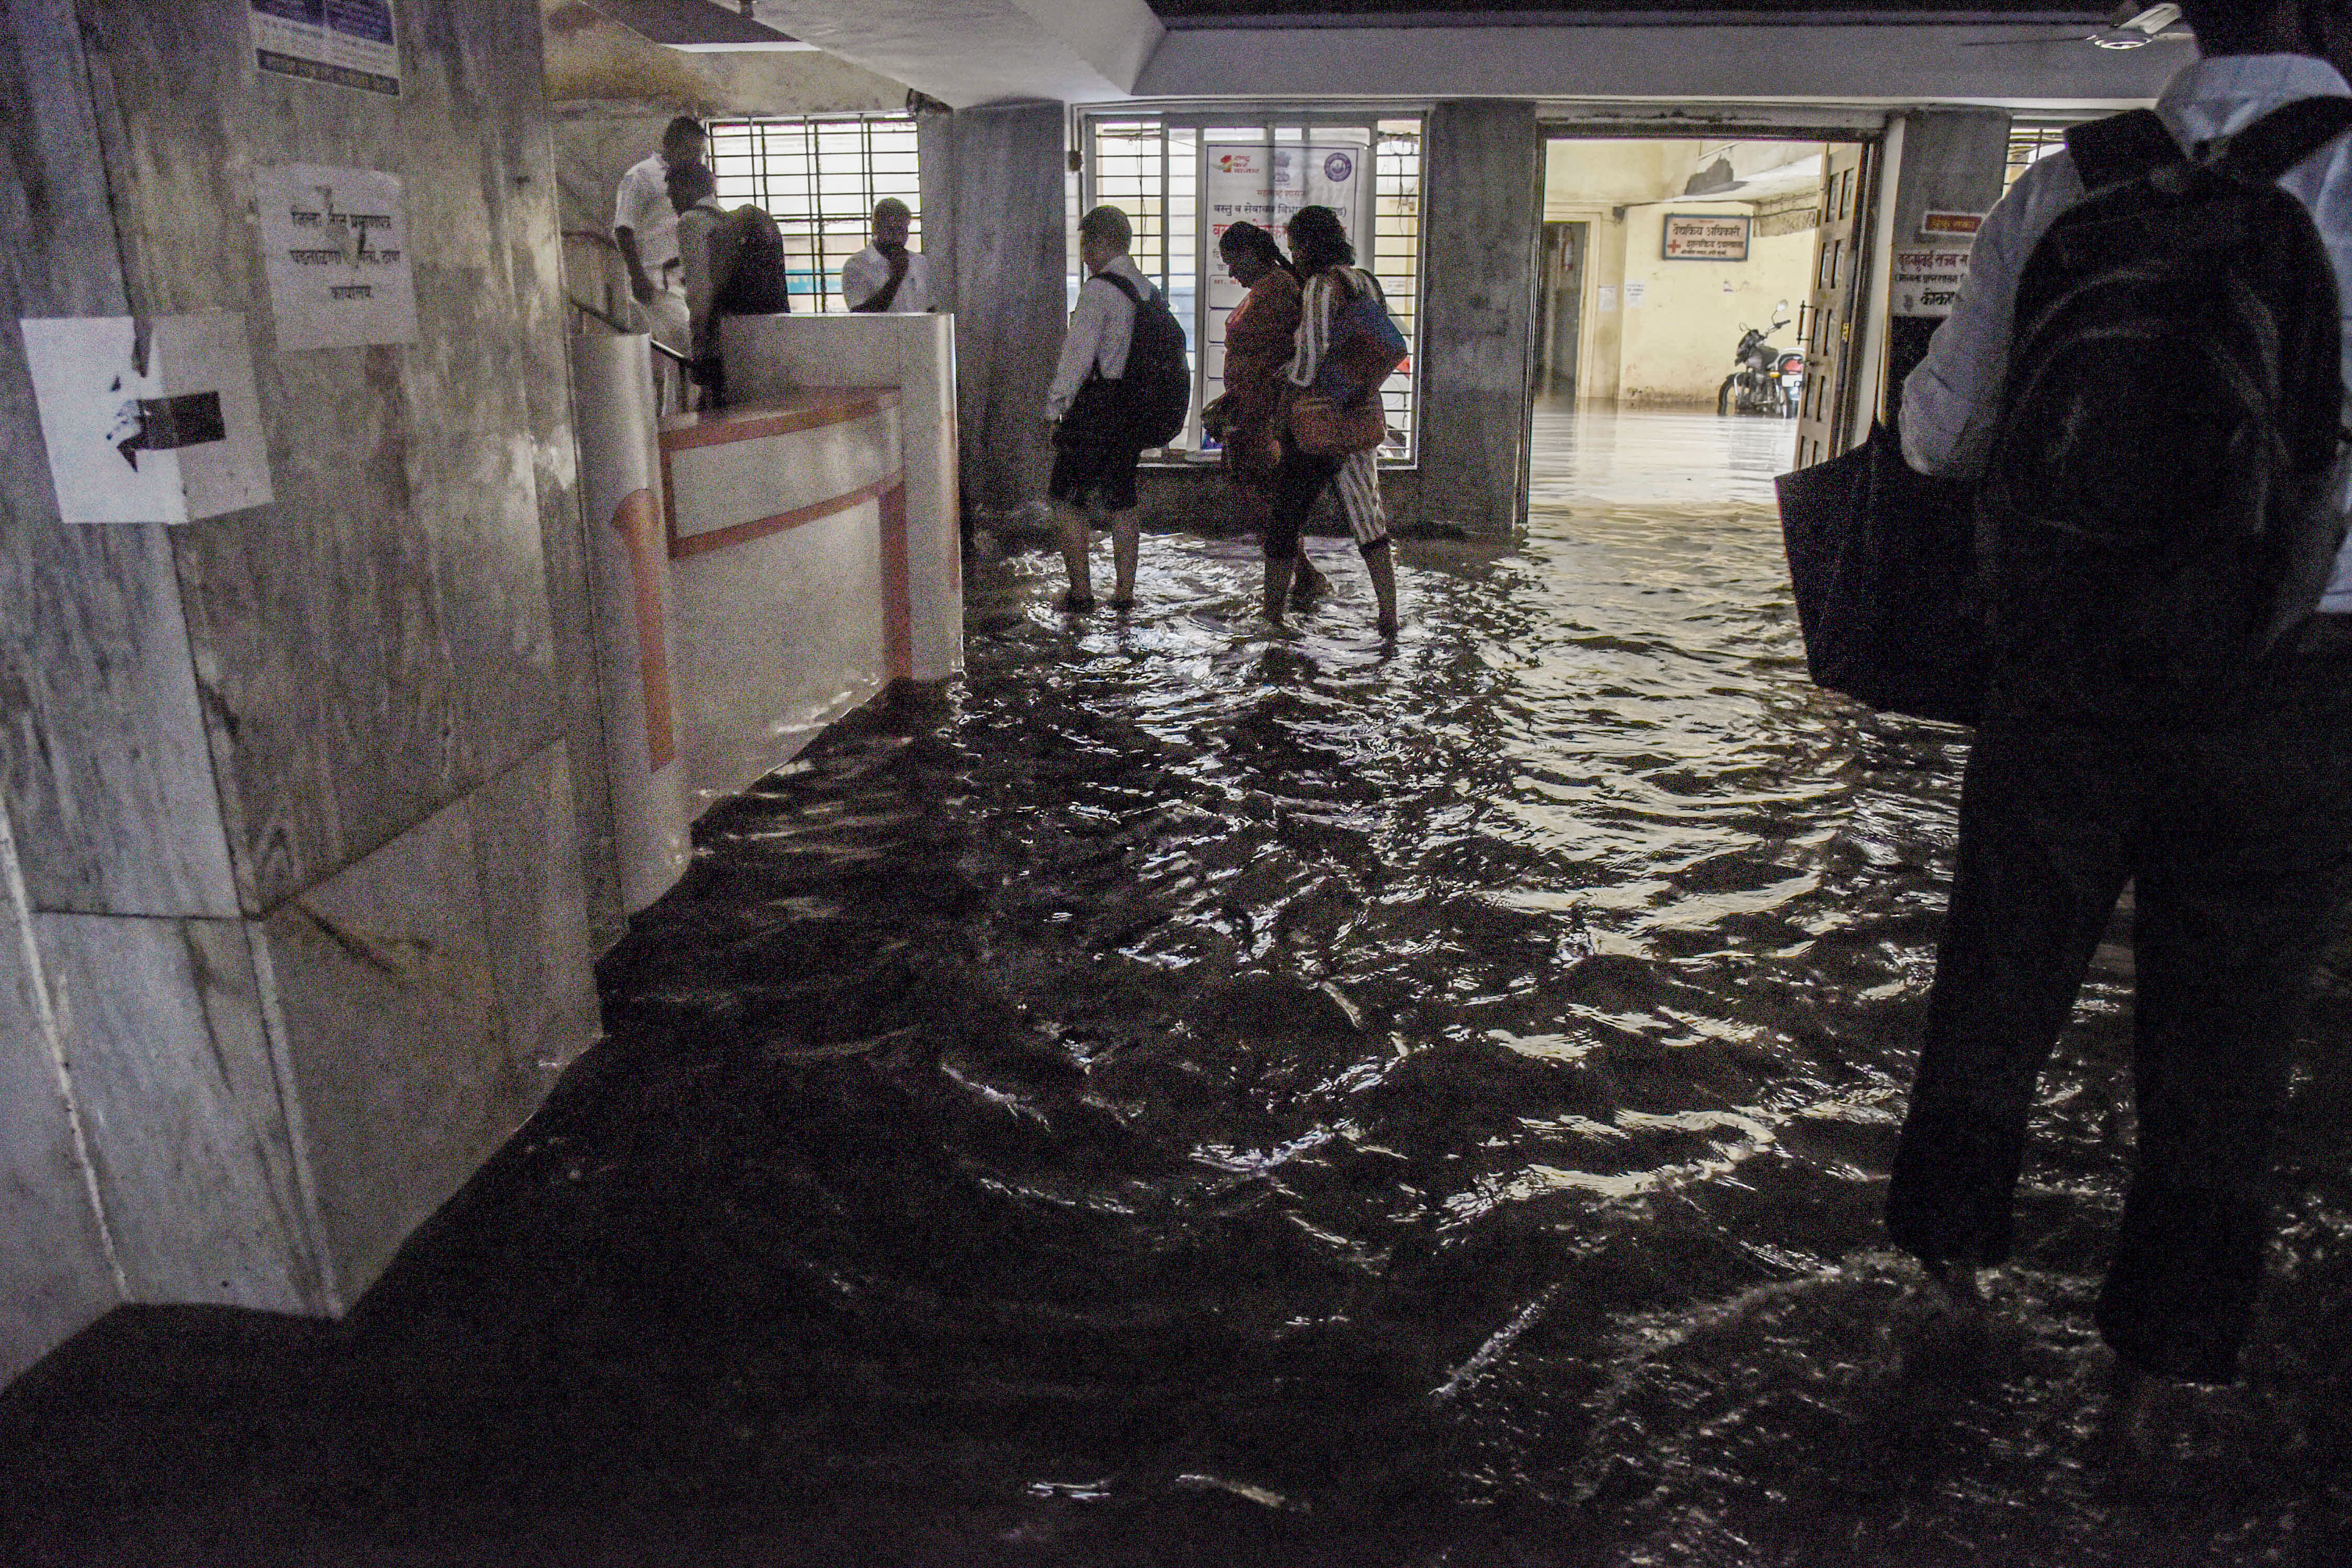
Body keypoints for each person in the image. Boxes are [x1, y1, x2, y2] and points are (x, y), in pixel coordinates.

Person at [1885, 0, 2352, 1414]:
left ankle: (1944, 1300)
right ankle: (2158, 1379)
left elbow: (1941, 437)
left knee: (1999, 973)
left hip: (2067, 668)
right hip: (2293, 680)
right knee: (2230, 1025)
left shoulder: (2066, 182)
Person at [1268, 205, 1399, 636]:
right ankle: (1389, 615)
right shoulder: (1367, 282)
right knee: (1368, 516)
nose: (1293, 255)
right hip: (1361, 413)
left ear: (1308, 245)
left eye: (1294, 246)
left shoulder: (1319, 289)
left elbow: (1308, 366)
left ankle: (1271, 616)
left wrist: (1283, 382)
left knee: (1286, 517)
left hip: (1320, 421)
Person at [1203, 222, 1331, 607]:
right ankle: (1302, 575)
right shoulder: (1269, 287)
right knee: (1262, 500)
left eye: (1233, 261)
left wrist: (1254, 408)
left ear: (1253, 254)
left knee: (1268, 504)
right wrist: (1231, 401)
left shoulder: (1278, 289)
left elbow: (1285, 358)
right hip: (1251, 410)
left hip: (1266, 416)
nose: (1231, 272)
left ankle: (1296, 584)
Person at [1046, 204, 1157, 612]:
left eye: (1084, 244)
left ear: (1099, 242)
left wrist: (1055, 410)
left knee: (1065, 499)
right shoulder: (1146, 288)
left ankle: (1081, 594)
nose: (1083, 254)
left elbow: (1076, 361)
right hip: (1133, 406)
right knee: (1123, 500)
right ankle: (1125, 595)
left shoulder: (1098, 290)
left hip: (1098, 406)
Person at [669, 163, 791, 409]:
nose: (670, 198)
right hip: (752, 331)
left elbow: (701, 288)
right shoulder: (725, 219)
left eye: (672, 190)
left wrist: (701, 342)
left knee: (717, 410)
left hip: (720, 333)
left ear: (687, 187)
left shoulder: (691, 222)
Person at [613, 116, 705, 406]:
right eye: (691, 151)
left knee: (682, 354)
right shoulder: (641, 177)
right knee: (681, 351)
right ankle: (679, 418)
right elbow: (623, 229)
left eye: (700, 153)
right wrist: (638, 277)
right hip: (655, 281)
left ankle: (678, 415)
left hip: (683, 279)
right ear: (671, 145)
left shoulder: (689, 178)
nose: (696, 158)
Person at [842, 197, 935, 314]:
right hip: (878, 332)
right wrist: (897, 277)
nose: (897, 237)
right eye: (891, 230)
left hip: (918, 331)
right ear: (876, 228)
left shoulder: (919, 262)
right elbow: (861, 314)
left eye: (902, 231)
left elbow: (930, 308)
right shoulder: (857, 266)